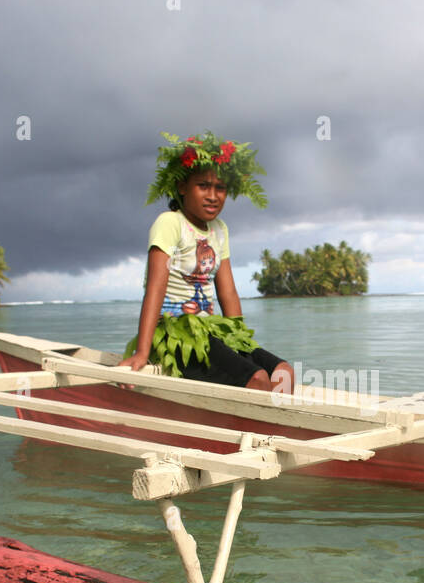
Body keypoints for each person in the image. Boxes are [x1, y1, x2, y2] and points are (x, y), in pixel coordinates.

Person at [118, 131, 293, 391]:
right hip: (176, 334)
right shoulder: (170, 223)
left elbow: (228, 291)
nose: (213, 195)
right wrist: (142, 352)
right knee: (256, 379)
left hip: (210, 330)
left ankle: (275, 428)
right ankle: (257, 428)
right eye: (203, 186)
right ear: (182, 187)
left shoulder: (219, 229)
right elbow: (155, 287)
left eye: (220, 188)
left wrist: (240, 341)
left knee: (283, 373)